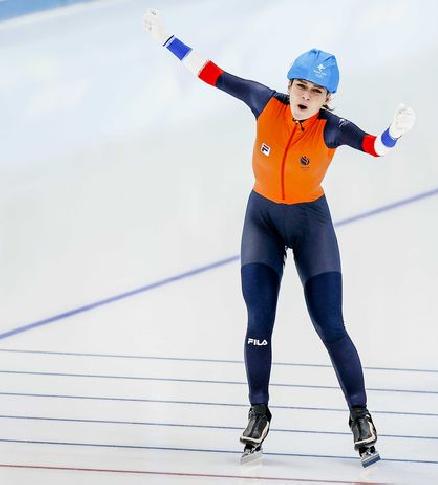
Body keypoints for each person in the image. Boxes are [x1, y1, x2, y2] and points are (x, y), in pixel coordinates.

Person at [143, 9, 415, 467]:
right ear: (289, 85)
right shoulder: (263, 101)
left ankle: (360, 415)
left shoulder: (333, 128)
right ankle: (258, 411)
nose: (306, 96)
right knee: (258, 323)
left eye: (316, 91)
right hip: (263, 221)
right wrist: (168, 39)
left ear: (328, 99)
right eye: (300, 86)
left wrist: (394, 132)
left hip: (311, 225)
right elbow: (213, 74)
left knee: (330, 326)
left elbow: (375, 147)